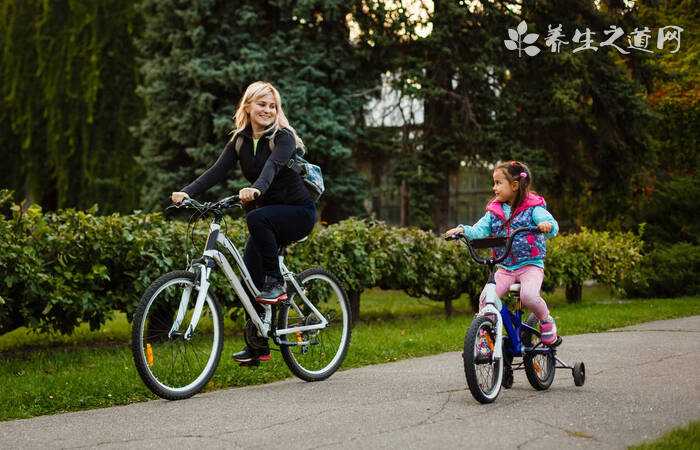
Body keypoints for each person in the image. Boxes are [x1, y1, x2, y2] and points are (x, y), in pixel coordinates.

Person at [171, 81, 317, 364]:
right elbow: (215, 171)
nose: (267, 110)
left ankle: (276, 282)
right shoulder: (239, 140)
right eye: (261, 104)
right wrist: (187, 192)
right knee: (249, 277)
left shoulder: (283, 137)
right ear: (248, 106)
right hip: (269, 218)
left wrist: (257, 189)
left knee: (256, 217)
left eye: (272, 105)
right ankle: (257, 344)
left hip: (298, 212)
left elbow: (272, 167)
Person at [444, 160, 560, 345]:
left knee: (528, 296)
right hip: (505, 267)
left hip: (530, 265)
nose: (494, 188)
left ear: (514, 185)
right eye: (494, 183)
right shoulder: (494, 211)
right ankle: (486, 340)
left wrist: (546, 226)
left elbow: (551, 224)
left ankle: (546, 321)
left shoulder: (533, 208)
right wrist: (462, 230)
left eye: (499, 183)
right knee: (486, 300)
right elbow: (478, 231)